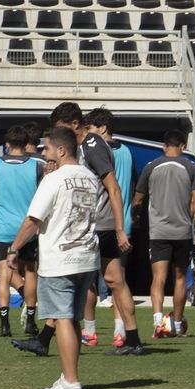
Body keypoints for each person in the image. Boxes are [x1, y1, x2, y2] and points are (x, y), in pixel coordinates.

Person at [8, 125, 101, 389]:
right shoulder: (90, 177)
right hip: (86, 256)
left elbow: (33, 220)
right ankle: (68, 376)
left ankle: (71, 381)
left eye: (47, 149)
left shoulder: (54, 179)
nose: (43, 154)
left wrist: (14, 249)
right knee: (71, 319)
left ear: (61, 150)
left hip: (60, 257)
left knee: (61, 318)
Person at [51, 102, 144, 356]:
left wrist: (119, 229)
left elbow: (113, 187)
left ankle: (48, 336)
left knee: (74, 277)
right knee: (112, 281)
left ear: (74, 125)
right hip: (95, 225)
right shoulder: (83, 147)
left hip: (100, 226)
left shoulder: (92, 145)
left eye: (62, 129)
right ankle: (132, 339)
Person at [131, 129, 195, 338]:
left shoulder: (151, 167)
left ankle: (157, 321)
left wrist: (134, 217)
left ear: (164, 147)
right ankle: (178, 325)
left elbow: (138, 199)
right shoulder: (191, 167)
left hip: (159, 231)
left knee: (159, 278)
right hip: (182, 231)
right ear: (182, 147)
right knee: (180, 277)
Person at [0, 123, 43, 339]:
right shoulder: (36, 167)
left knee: (4, 275)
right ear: (26, 144)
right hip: (28, 229)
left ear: (6, 144)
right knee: (31, 272)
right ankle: (31, 320)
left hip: (3, 229)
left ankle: (4, 324)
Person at [81, 108, 137, 348]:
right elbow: (132, 187)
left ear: (102, 128)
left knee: (89, 280)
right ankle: (120, 332)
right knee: (118, 280)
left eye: (91, 127)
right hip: (122, 221)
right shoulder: (127, 152)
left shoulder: (93, 152)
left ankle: (90, 330)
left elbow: (109, 187)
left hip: (105, 222)